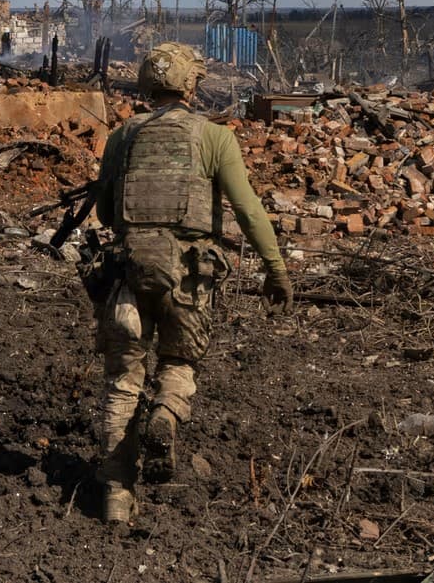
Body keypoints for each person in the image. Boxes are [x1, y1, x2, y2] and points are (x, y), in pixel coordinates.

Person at [85, 41, 292, 525]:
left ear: (145, 84)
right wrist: (275, 268)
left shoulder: (123, 136)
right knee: (178, 361)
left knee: (120, 382)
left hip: (129, 272)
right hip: (189, 278)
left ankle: (117, 495)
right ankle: (167, 412)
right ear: (192, 85)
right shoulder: (214, 138)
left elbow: (105, 210)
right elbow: (248, 209)